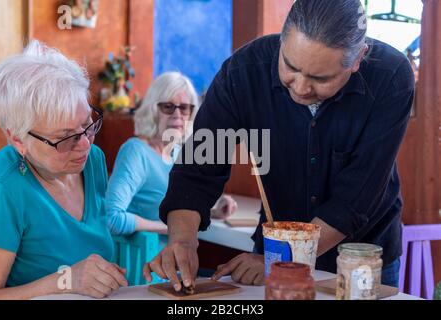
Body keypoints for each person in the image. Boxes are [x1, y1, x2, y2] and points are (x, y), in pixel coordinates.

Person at [143, 0, 415, 291]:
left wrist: (282, 260)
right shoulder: (244, 74)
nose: (300, 87)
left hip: (358, 258)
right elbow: (199, 171)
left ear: (358, 59)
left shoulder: (390, 77)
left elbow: (355, 198)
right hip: (271, 251)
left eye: (320, 78)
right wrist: (182, 241)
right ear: (283, 39)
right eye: (290, 67)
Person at [0, 40, 127, 299]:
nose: (85, 144)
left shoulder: (92, 160)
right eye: (65, 138)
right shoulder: (3, 186)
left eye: (88, 124)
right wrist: (66, 281)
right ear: (19, 140)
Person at [105, 72, 238, 249]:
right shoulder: (136, 151)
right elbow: (111, 218)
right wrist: (173, 229)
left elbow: (175, 209)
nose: (177, 115)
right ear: (153, 110)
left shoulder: (178, 153)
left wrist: (214, 211)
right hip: (145, 268)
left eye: (184, 108)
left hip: (175, 265)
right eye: (168, 107)